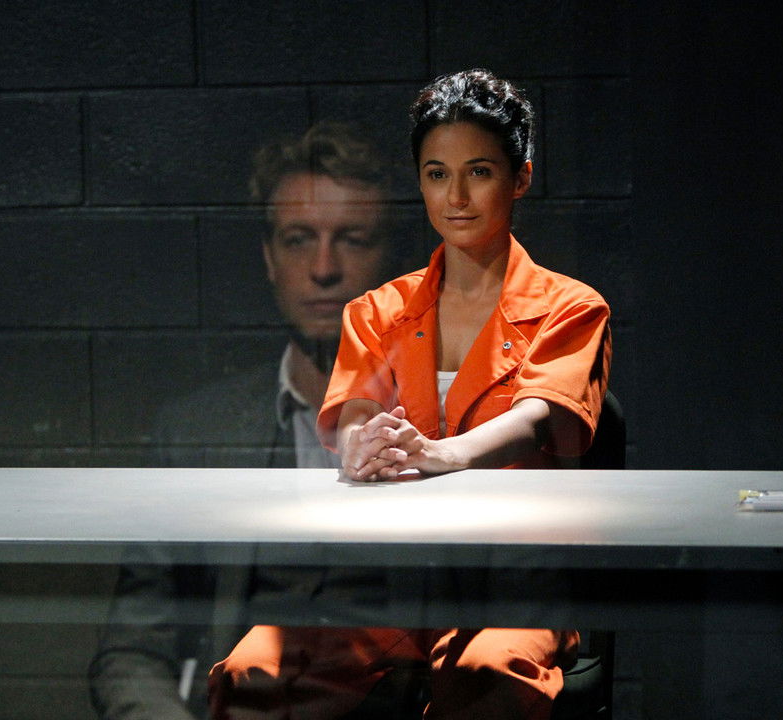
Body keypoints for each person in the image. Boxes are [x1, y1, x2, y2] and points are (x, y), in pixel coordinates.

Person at [209, 69, 611, 719]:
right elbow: (357, 411)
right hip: (389, 579)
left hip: (508, 583)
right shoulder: (376, 309)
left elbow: (541, 415)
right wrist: (362, 444)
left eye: (479, 172)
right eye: (436, 174)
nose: (456, 196)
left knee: (484, 678)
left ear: (521, 178)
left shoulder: (572, 307)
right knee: (251, 673)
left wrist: (447, 453)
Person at [89, 122, 396, 720]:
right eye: (298, 240)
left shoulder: (453, 428)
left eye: (354, 239)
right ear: (269, 259)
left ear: (393, 259)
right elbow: (132, 651)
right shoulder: (194, 434)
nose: (324, 268)